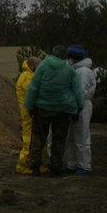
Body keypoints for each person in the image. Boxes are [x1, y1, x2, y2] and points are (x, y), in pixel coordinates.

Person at [24, 45, 84, 176]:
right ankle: (56, 167)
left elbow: (33, 87)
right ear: (65, 56)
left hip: (43, 108)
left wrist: (29, 106)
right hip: (63, 109)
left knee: (38, 138)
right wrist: (79, 107)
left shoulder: (43, 66)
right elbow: (77, 90)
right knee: (59, 139)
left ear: (52, 53)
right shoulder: (69, 69)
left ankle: (35, 167)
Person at [63, 45, 96, 175]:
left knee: (82, 136)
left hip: (81, 106)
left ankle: (85, 165)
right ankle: (72, 164)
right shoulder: (75, 69)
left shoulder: (83, 71)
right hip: (74, 106)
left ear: (73, 57)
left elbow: (81, 92)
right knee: (71, 137)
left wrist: (77, 109)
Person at [14, 56, 48, 174]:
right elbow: (33, 93)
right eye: (39, 66)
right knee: (29, 139)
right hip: (29, 113)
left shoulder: (30, 75)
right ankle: (23, 165)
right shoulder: (26, 77)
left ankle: (37, 163)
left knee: (37, 138)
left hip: (33, 111)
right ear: (32, 65)